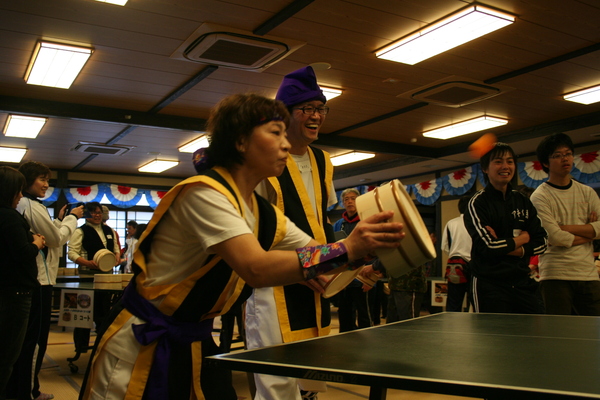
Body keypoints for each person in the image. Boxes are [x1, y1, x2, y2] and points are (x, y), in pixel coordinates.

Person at [78, 93, 404, 400]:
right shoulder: (204, 194)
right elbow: (256, 268)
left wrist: (364, 250)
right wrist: (348, 248)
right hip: (140, 342)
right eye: (275, 133)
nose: (286, 143)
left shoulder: (262, 212)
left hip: (193, 338)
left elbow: (314, 253)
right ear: (240, 141)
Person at [245, 66, 338, 400]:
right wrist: (300, 265)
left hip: (315, 275)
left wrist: (337, 259)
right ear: (284, 115)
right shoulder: (262, 161)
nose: (316, 116)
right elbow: (252, 231)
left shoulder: (324, 161)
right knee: (277, 381)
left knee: (311, 371)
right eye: (307, 108)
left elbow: (322, 219)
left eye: (321, 108)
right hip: (274, 282)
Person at [6, 161, 82, 400]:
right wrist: (72, 218)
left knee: (18, 342)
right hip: (38, 281)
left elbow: (48, 237)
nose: (46, 185)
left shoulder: (21, 207)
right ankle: (28, 391)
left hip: (26, 280)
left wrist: (57, 222)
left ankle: (20, 389)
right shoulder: (30, 205)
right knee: (34, 341)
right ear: (25, 182)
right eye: (42, 179)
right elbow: (56, 239)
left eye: (48, 180)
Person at [464, 142, 547, 314]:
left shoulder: (522, 201)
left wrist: (511, 248)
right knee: (492, 332)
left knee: (536, 329)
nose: (505, 166)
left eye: (510, 161)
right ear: (485, 168)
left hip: (522, 282)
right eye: (498, 161)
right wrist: (522, 239)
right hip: (489, 285)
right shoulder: (478, 203)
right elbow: (488, 247)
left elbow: (542, 242)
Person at [530, 133, 600, 315]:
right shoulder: (540, 196)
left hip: (588, 274)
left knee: (592, 330)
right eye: (557, 155)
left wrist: (565, 228)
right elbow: (555, 237)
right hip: (555, 276)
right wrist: (589, 233)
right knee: (558, 330)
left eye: (568, 154)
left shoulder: (587, 192)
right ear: (546, 163)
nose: (565, 159)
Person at [0, 166, 45, 400]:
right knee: (7, 356)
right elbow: (22, 253)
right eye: (18, 190)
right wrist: (36, 243)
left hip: (7, 291)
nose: (20, 195)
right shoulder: (9, 216)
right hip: (16, 294)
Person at [68, 202, 120, 355]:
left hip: (106, 279)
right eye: (94, 212)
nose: (97, 215)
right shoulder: (80, 231)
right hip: (87, 278)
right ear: (86, 214)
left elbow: (116, 248)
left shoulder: (109, 230)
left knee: (103, 313)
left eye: (99, 212)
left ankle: (101, 347)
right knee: (83, 315)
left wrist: (116, 257)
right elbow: (72, 253)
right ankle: (81, 347)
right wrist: (87, 263)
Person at [333, 188, 372, 332]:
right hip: (343, 277)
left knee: (364, 313)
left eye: (353, 198)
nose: (349, 202)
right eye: (346, 199)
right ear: (343, 203)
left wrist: (370, 278)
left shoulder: (366, 221)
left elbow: (373, 249)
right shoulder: (338, 224)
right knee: (344, 312)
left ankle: (367, 339)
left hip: (362, 276)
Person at [386, 231, 435, 322]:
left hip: (410, 286)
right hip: (395, 284)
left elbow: (399, 254)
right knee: (392, 324)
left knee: (408, 323)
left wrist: (374, 267)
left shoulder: (412, 235)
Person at [441, 194, 472, 312]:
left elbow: (444, 247)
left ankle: (452, 322)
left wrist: (454, 253)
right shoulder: (478, 222)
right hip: (475, 265)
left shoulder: (451, 223)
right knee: (474, 302)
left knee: (454, 302)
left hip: (455, 264)